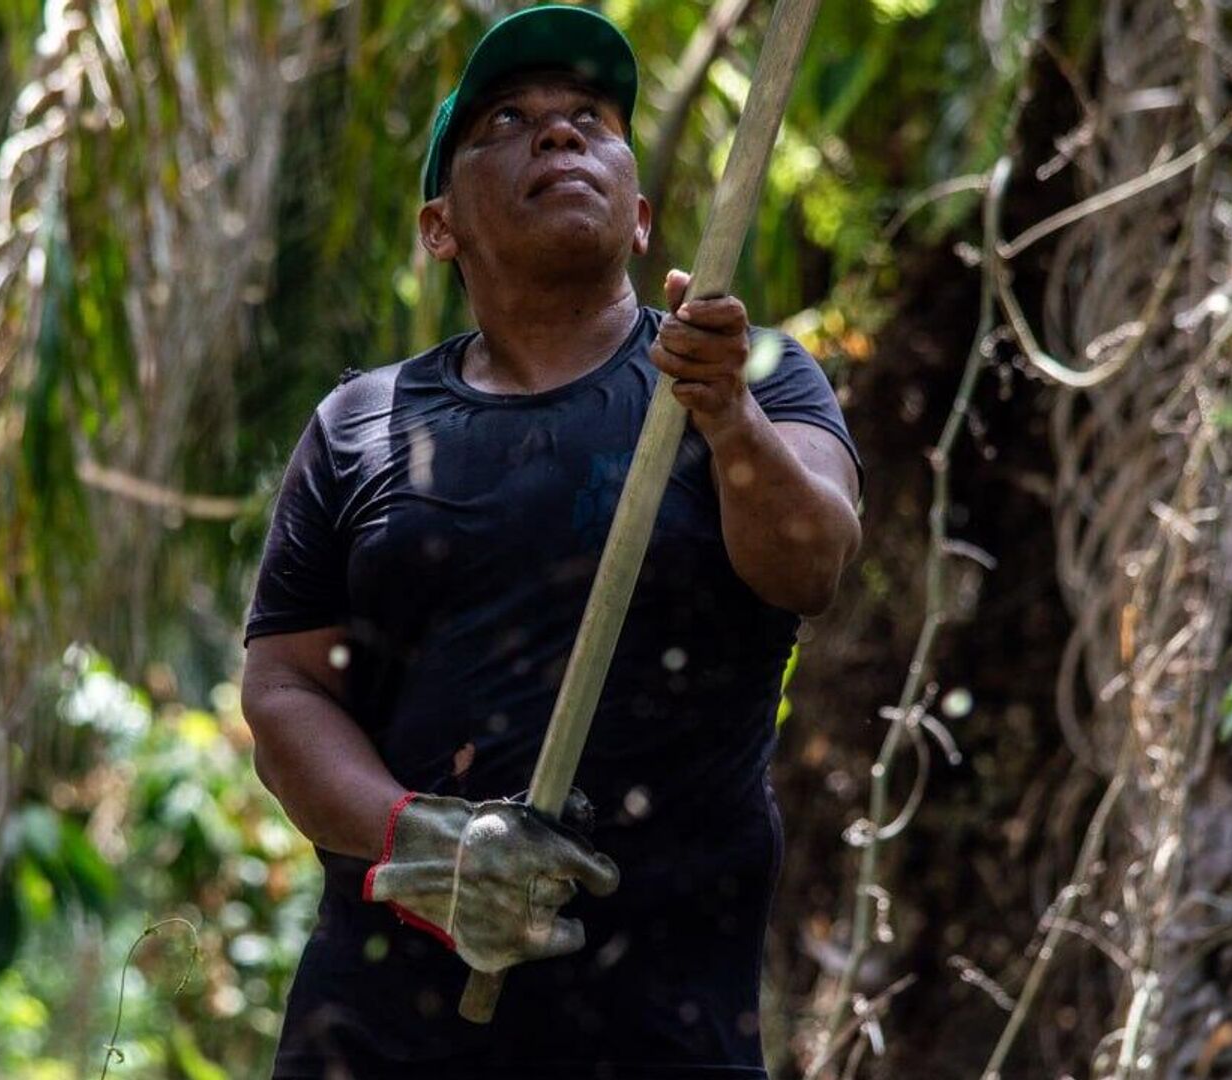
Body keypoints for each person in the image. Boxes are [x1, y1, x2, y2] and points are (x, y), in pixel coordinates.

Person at [240, 6, 863, 1077]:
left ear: (640, 217)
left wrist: (727, 417)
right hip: (386, 1027)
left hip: (664, 1023)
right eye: (509, 122)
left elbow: (811, 565)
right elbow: (285, 691)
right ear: (441, 229)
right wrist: (423, 848)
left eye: (589, 118)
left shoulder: (750, 374)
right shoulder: (362, 425)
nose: (561, 133)